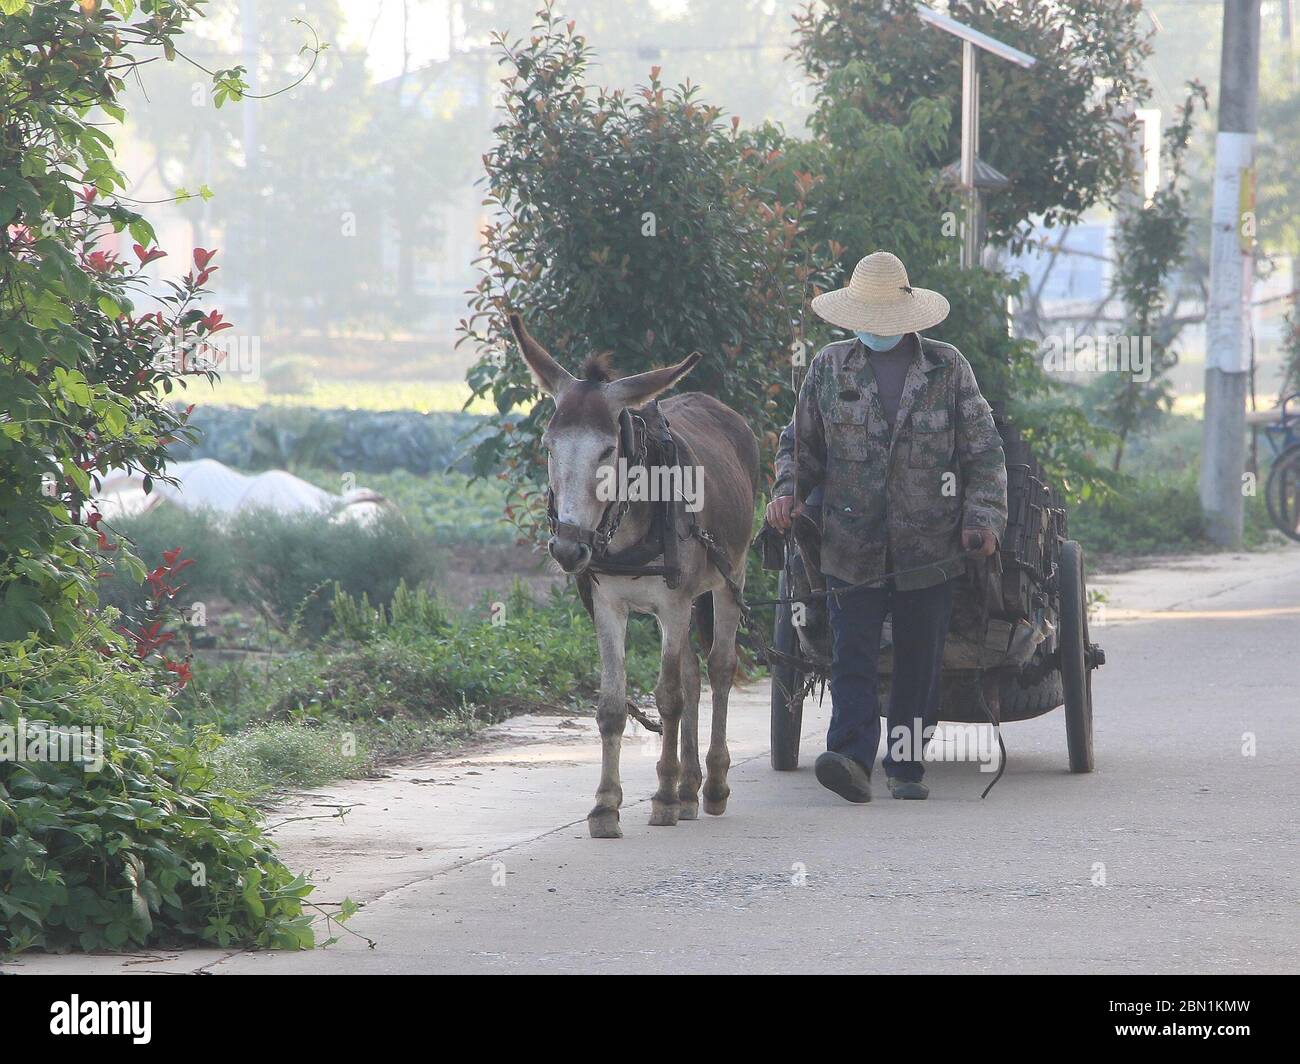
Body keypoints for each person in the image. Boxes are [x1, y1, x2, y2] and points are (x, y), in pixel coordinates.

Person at [766, 251, 1007, 803]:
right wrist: (787, 495)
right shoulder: (829, 368)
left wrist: (983, 518)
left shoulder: (948, 368)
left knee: (920, 657)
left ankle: (906, 765)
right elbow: (800, 448)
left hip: (931, 543)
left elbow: (983, 452)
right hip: (852, 543)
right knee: (852, 651)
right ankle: (850, 758)